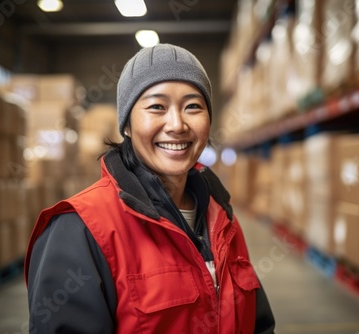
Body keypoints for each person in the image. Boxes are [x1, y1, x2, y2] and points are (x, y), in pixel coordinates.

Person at [25, 43, 275, 333]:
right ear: (127, 125)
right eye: (157, 107)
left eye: (193, 106)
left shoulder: (222, 219)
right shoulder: (80, 229)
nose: (177, 124)